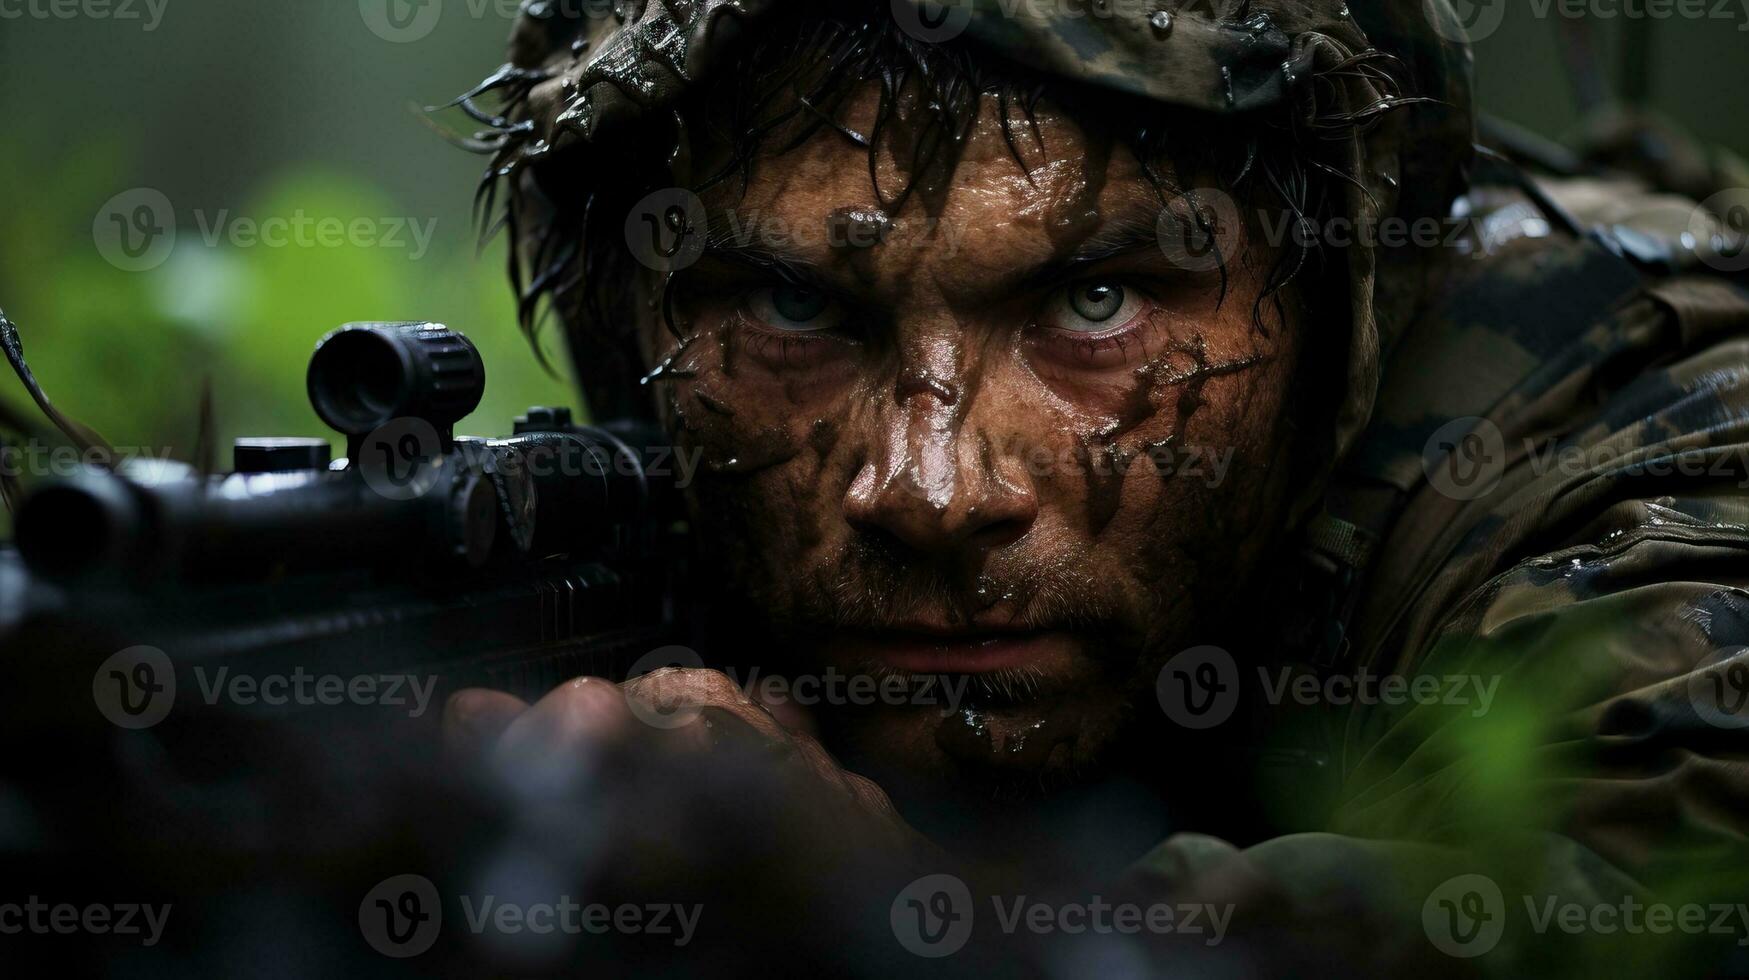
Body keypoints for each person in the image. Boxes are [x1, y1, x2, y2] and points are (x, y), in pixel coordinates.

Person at [441, 1, 1749, 972]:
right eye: (795, 306)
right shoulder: (629, 515)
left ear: (1340, 295)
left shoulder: (1628, 418)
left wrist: (895, 920)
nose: (933, 490)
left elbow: (1649, 896)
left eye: (1095, 301)